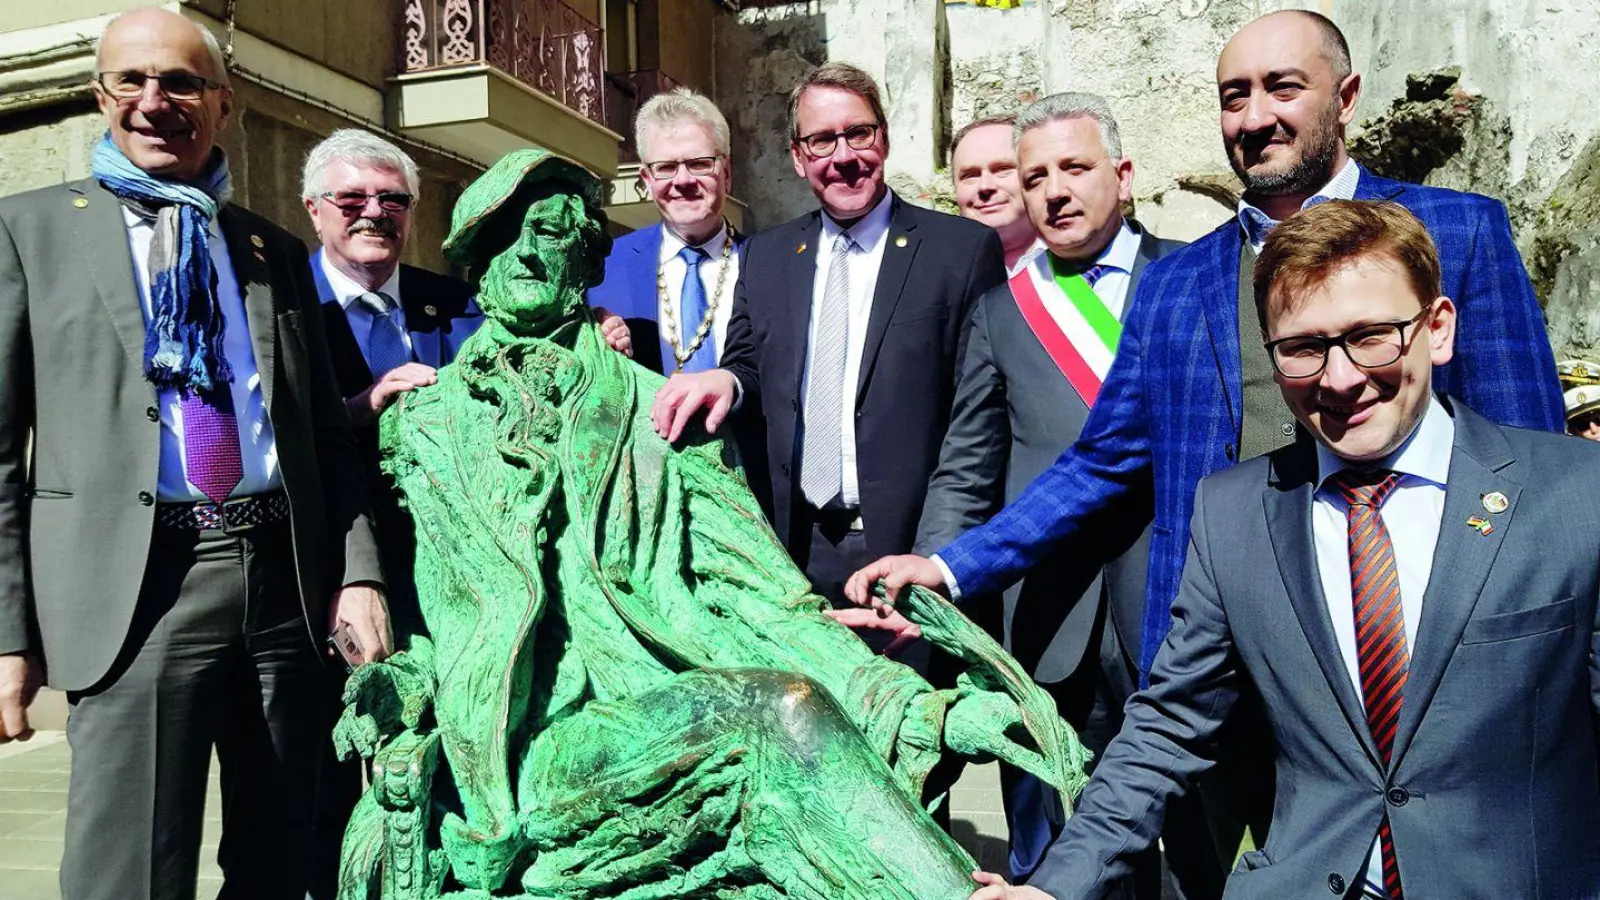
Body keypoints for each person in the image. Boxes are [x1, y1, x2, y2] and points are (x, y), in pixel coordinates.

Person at [847, 8, 1563, 880]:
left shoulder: (1460, 233)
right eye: (1234, 96)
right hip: (1218, 683)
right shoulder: (1179, 283)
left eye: (1282, 88)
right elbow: (1102, 459)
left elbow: (1536, 471)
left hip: (1422, 677)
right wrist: (950, 566)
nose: (1255, 116)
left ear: (1345, 96)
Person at [965, 198, 1600, 900]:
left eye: (1372, 336)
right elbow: (1169, 725)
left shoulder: (1576, 494)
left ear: (1438, 328)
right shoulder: (1234, 513)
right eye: (1303, 348)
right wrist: (1054, 886)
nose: (1340, 378)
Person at [0, 9, 388, 900]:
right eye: (130, 81)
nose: (154, 102)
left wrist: (358, 573)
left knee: (286, 861)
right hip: (137, 593)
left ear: (224, 103)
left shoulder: (270, 249)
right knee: (128, 872)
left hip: (284, 585)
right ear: (100, 95)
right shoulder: (27, 233)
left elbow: (324, 437)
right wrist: (6, 636)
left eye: (180, 82)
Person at [903, 93, 1193, 891]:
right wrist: (930, 580)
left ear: (1123, 176)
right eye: (1036, 178)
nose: (1055, 192)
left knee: (1190, 846)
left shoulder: (1193, 278)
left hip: (1179, 604)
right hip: (1047, 616)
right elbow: (967, 466)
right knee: (1051, 846)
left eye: (1075, 168)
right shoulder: (1001, 313)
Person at [649, 62, 1005, 630]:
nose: (843, 156)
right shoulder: (766, 257)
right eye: (821, 140)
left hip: (910, 553)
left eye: (857, 133)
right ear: (798, 157)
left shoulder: (959, 252)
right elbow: (749, 364)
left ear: (883, 138)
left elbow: (977, 427)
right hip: (792, 554)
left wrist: (936, 559)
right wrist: (728, 379)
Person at [950, 114, 1040, 275]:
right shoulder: (937, 273)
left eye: (1003, 169)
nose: (985, 187)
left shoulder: (1082, 262)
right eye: (970, 175)